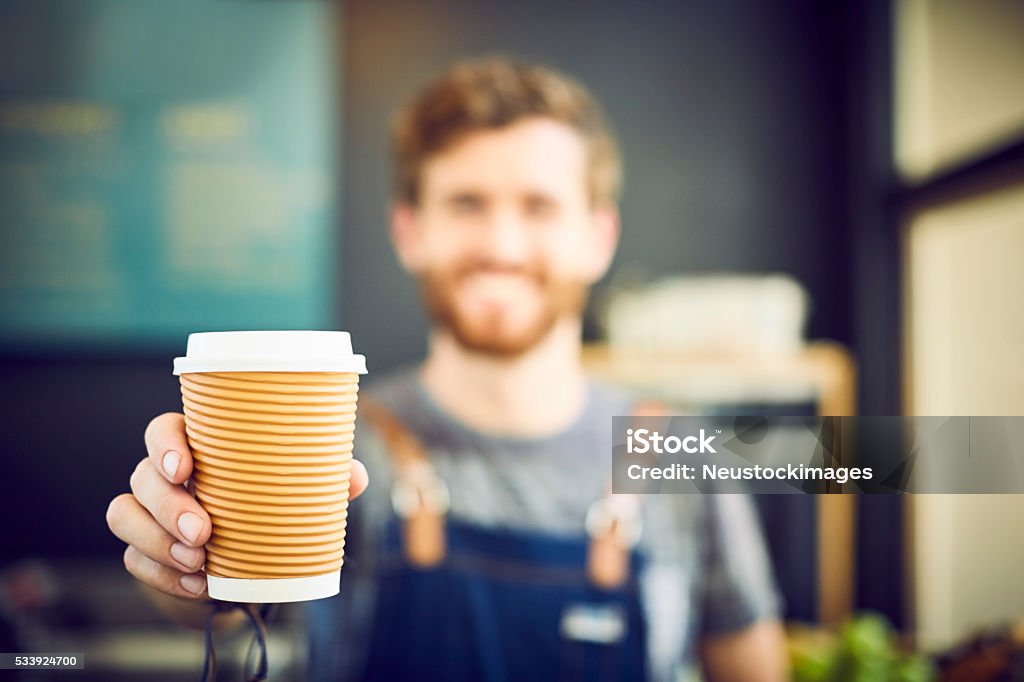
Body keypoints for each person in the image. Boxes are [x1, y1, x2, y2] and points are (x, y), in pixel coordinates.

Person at [107, 57, 787, 681]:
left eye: (539, 206)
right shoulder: (334, 446)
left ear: (597, 238)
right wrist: (179, 556)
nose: (501, 244)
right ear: (410, 231)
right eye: (467, 203)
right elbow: (216, 604)